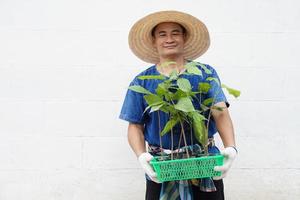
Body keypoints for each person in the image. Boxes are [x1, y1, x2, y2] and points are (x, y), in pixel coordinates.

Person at [119, 10, 238, 200]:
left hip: (204, 161)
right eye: (162, 34)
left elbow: (220, 113)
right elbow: (134, 125)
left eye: (175, 33)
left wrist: (231, 147)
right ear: (154, 41)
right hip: (162, 166)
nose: (169, 39)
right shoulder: (142, 82)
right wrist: (142, 156)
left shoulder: (204, 73)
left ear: (184, 38)